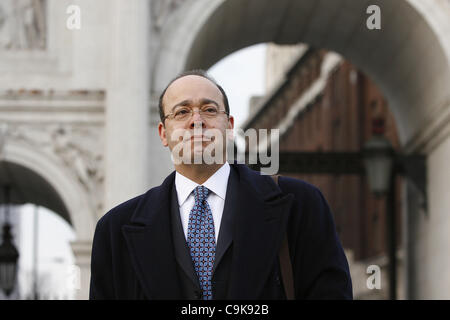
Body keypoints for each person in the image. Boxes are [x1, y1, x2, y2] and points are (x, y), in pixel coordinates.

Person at [89, 69, 353, 300]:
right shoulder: (115, 231)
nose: (197, 121)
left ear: (229, 127)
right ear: (163, 134)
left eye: (209, 109)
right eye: (182, 112)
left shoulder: (300, 206)